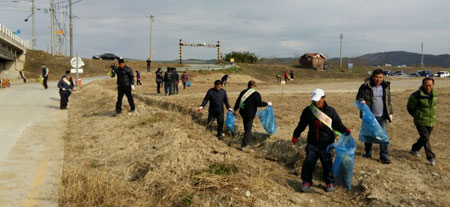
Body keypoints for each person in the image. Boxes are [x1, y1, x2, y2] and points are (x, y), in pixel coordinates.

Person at [292, 88, 350, 192]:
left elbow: (337, 123)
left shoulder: (330, 111)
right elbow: (302, 124)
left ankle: (329, 183)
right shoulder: (308, 111)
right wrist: (296, 135)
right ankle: (306, 181)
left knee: (327, 164)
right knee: (309, 163)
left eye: (318, 100)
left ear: (324, 98)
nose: (316, 102)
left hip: (327, 143)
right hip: (312, 143)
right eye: (314, 101)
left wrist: (345, 129)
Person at [356, 69, 393, 164]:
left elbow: (388, 100)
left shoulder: (385, 86)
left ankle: (384, 154)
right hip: (369, 116)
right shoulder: (365, 86)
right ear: (373, 77)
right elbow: (358, 98)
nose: (378, 79)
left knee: (383, 135)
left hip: (382, 115)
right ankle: (368, 152)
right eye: (377, 77)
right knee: (369, 134)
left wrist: (390, 113)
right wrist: (362, 102)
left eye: (381, 77)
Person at [407, 77, 438, 166]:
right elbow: (410, 107)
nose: (428, 87)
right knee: (426, 138)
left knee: (424, 139)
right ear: (422, 85)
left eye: (430, 85)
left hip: (431, 120)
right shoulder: (416, 96)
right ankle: (431, 157)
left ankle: (414, 149)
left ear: (433, 85)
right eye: (426, 85)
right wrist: (417, 115)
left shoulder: (435, 94)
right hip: (420, 121)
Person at [233, 80, 271, 151]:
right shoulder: (256, 94)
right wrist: (267, 103)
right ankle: (244, 145)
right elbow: (259, 104)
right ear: (254, 86)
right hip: (250, 113)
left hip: (243, 112)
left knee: (246, 128)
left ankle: (245, 140)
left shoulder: (243, 92)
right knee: (248, 130)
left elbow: (238, 101)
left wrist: (234, 109)